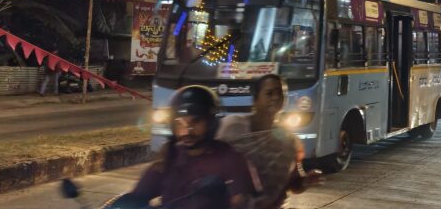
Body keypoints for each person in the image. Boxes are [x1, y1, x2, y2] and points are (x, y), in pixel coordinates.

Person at [128, 85, 253, 209]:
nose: (187, 131)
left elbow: (239, 199)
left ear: (211, 122)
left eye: (196, 122)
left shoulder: (229, 157)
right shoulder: (170, 156)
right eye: (180, 123)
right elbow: (139, 195)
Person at [217, 74, 322, 208]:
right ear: (255, 99)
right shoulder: (233, 126)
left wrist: (306, 181)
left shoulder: (287, 139)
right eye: (269, 93)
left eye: (280, 94)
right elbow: (213, 163)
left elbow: (293, 183)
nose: (275, 97)